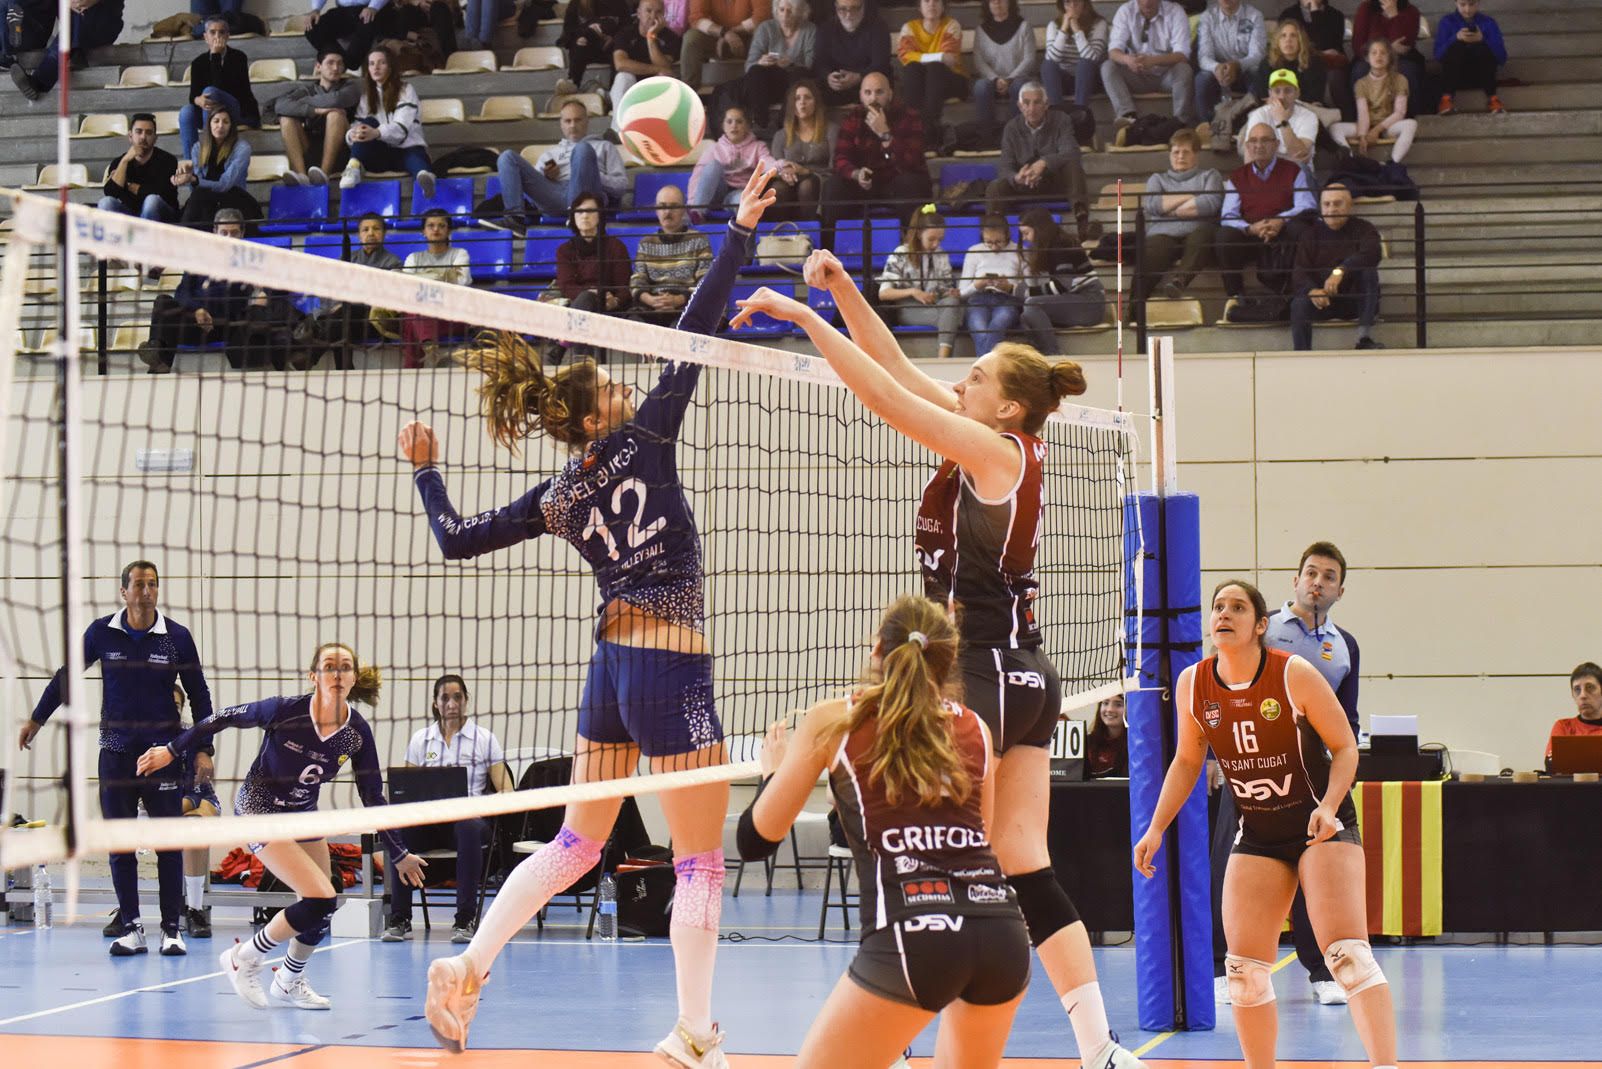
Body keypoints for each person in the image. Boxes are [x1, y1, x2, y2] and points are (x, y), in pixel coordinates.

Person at [731, 254, 1150, 1069]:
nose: (965, 377)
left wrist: (807, 322)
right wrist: (841, 289)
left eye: (980, 373)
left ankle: (905, 1004)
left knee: (942, 850)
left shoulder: (1000, 454)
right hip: (1028, 674)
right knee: (1023, 862)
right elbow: (896, 366)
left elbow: (884, 396)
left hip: (980, 672)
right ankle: (1099, 1046)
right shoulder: (992, 440)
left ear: (1012, 405)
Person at [408, 163, 781, 1065]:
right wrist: (735, 233)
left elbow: (456, 540)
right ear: (591, 415)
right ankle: (694, 1031)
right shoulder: (644, 434)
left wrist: (427, 470)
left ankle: (467, 962)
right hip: (667, 657)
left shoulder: (558, 492)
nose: (622, 386)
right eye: (609, 386)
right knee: (699, 861)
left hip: (611, 664)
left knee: (579, 839)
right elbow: (692, 336)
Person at [737, 596, 1031, 1068]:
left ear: (876, 649)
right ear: (949, 661)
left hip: (912, 936)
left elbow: (754, 842)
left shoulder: (835, 720)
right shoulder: (976, 727)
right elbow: (983, 837)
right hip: (1000, 931)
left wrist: (774, 774)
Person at [1134, 579, 1400, 1069]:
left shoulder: (1293, 674)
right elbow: (1187, 762)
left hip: (1321, 823)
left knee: (1348, 956)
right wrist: (1155, 829)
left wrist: (1330, 804)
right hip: (1259, 832)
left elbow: (1344, 747)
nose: (1224, 614)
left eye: (1237, 607)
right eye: (1218, 607)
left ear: (1260, 626)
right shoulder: (1195, 682)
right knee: (1244, 973)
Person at [137, 643, 426, 1011]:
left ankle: (289, 980)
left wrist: (398, 853)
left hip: (302, 813)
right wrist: (173, 750)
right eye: (328, 666)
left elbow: (373, 796)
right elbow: (221, 717)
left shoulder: (356, 733)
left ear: (353, 678)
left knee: (325, 905)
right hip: (259, 809)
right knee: (319, 897)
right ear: (314, 676)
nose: (336, 674)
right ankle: (244, 957)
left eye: (345, 667)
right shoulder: (285, 711)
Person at [19, 560, 213, 956]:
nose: (146, 591)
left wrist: (203, 750)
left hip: (163, 755)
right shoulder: (100, 633)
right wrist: (38, 719)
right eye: (139, 585)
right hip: (116, 755)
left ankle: (172, 930)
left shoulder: (176, 637)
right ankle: (132, 927)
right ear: (123, 591)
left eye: (153, 585)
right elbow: (66, 676)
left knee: (168, 843)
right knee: (120, 845)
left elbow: (200, 694)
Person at [1226, 541, 1360, 1006]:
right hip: (1251, 770)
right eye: (1310, 573)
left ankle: (1322, 972)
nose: (1317, 582)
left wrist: (1341, 771)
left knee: (1315, 872)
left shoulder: (1345, 648)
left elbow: (1347, 718)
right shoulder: (1263, 630)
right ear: (1295, 580)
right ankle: (1230, 967)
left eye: (1328, 576)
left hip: (1309, 779)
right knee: (1234, 869)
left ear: (1339, 590)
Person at [384, 673, 514, 944]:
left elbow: (507, 791)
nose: (452, 703)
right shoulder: (422, 739)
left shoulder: (484, 739)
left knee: (467, 826)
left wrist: (478, 806)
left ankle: (465, 919)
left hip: (469, 823)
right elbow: (408, 790)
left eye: (457, 697)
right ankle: (400, 918)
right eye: (445, 697)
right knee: (399, 831)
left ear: (466, 701)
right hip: (431, 822)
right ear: (435, 703)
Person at [137, 209, 264, 373]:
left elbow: (241, 298)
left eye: (234, 233)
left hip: (227, 325)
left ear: (242, 233)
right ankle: (157, 353)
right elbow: (182, 293)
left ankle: (159, 359)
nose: (229, 238)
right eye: (224, 233)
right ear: (215, 233)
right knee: (163, 301)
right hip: (196, 322)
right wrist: (197, 310)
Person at [822, 72, 933, 249]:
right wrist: (856, 173)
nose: (873, 98)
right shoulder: (853, 118)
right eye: (868, 93)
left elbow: (911, 161)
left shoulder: (909, 116)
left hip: (897, 182)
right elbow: (840, 158)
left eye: (879, 92)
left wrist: (885, 134)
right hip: (865, 182)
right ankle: (829, 252)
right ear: (861, 95)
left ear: (889, 93)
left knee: (910, 183)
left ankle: (913, 250)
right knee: (834, 186)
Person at [1216, 122, 1317, 299]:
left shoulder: (1293, 171)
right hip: (1252, 236)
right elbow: (1228, 216)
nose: (1258, 146)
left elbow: (1306, 205)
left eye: (1265, 140)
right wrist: (1251, 228)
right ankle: (1236, 296)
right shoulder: (1238, 176)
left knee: (1300, 229)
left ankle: (1295, 291)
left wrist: (1280, 220)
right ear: (1247, 146)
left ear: (1276, 144)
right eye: (1253, 141)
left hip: (1283, 234)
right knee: (1225, 236)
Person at [495, 99, 628, 232]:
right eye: (568, 121)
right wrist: (547, 177)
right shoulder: (549, 154)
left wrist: (591, 174)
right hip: (555, 194)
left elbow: (620, 186)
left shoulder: (605, 146)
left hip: (589, 195)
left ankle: (577, 216)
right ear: (561, 124)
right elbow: (532, 198)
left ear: (587, 121)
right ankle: (515, 219)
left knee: (582, 149)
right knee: (507, 157)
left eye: (578, 120)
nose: (573, 125)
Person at [292, 211, 403, 368]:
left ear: (384, 234)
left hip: (373, 321)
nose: (371, 233)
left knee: (342, 314)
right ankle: (345, 370)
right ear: (359, 235)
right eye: (365, 229)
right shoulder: (347, 259)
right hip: (347, 320)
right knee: (340, 322)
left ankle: (311, 357)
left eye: (376, 229)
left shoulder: (393, 262)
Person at [987, 82, 1093, 240]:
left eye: (1037, 102)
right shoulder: (1011, 127)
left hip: (1053, 181)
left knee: (1073, 166)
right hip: (1023, 184)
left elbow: (1071, 152)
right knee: (995, 186)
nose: (1031, 108)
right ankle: (995, 233)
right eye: (1026, 103)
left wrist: (1044, 163)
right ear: (1019, 105)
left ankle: (1082, 222)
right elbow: (1005, 166)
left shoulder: (1061, 120)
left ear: (1046, 104)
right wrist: (1016, 177)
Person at [1289, 182, 1382, 350]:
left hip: (1355, 301)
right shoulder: (1310, 234)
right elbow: (1299, 271)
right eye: (1326, 204)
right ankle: (1301, 355)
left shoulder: (1364, 228)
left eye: (1338, 203)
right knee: (1299, 303)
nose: (1331, 209)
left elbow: (1372, 254)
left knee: (1368, 273)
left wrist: (1340, 271)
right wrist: (1312, 291)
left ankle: (1364, 338)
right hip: (1323, 302)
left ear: (1349, 205)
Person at [1139, 128, 1223, 304]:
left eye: (1186, 152)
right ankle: (1135, 307)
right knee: (1152, 251)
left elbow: (1210, 204)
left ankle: (1179, 281)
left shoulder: (1210, 175)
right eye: (1176, 152)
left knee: (1203, 234)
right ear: (1170, 154)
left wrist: (1169, 211)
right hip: (1162, 233)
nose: (1180, 156)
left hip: (1197, 232)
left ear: (1196, 154)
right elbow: (1152, 205)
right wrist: (1191, 196)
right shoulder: (1157, 179)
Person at [546, 190, 632, 361]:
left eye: (591, 211)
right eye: (580, 211)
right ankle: (583, 360)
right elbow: (566, 286)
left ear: (600, 217)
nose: (585, 216)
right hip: (578, 301)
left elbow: (624, 286)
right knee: (585, 299)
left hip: (608, 304)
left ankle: (567, 347)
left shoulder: (616, 247)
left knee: (586, 299)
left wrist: (615, 301)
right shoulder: (565, 250)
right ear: (573, 217)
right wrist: (592, 292)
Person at [341, 43, 436, 197]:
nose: (375, 67)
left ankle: (424, 178)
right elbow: (358, 124)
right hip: (380, 155)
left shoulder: (406, 90)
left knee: (414, 157)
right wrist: (352, 134)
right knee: (366, 124)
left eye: (381, 63)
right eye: (371, 64)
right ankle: (353, 167)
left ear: (391, 67)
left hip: (407, 149)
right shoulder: (366, 96)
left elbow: (401, 129)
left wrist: (376, 133)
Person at [876, 204, 961, 359]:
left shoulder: (941, 255)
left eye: (940, 240)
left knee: (953, 304)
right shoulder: (901, 253)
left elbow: (944, 289)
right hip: (909, 309)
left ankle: (942, 359)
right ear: (919, 233)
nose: (936, 245)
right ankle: (944, 360)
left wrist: (949, 292)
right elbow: (884, 293)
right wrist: (914, 292)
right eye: (931, 239)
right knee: (953, 317)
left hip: (935, 306)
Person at [1016, 206, 1105, 351]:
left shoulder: (1060, 246)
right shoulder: (1052, 245)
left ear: (1039, 230)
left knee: (1032, 304)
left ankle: (1053, 354)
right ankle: (1038, 354)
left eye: (1026, 233)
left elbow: (1061, 287)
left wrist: (1021, 291)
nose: (1024, 238)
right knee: (1027, 314)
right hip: (1076, 300)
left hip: (1090, 303)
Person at [271, 48, 360, 187]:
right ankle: (301, 176)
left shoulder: (350, 87)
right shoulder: (307, 90)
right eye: (330, 63)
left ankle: (324, 174)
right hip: (310, 147)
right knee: (286, 118)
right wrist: (315, 110)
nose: (336, 68)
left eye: (340, 64)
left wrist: (302, 102)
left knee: (335, 114)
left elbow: (335, 100)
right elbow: (280, 106)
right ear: (318, 67)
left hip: (340, 152)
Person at [173, 683, 221, 938]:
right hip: (156, 806)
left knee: (195, 828)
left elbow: (196, 791)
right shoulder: (140, 736)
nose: (173, 709)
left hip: (197, 800)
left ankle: (194, 908)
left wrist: (181, 806)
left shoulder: (191, 737)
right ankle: (126, 911)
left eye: (178, 706)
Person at [1101, 0, 1194, 127]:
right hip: (1136, 75)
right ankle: (1128, 118)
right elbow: (1113, 51)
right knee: (1108, 67)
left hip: (1166, 77)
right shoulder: (1126, 11)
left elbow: (1183, 55)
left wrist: (1153, 61)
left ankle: (1180, 122)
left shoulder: (1175, 11)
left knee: (1184, 69)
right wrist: (1128, 59)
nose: (1146, 3)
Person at [630, 185, 713, 326]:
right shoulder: (646, 242)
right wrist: (651, 300)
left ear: (683, 210)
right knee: (632, 324)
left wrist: (679, 299)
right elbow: (637, 281)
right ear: (656, 210)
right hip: (652, 306)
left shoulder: (699, 240)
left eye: (673, 207)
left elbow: (705, 282)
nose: (667, 212)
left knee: (681, 327)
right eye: (662, 206)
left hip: (686, 305)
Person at [725, 0, 814, 132]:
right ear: (776, 11)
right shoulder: (765, 28)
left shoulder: (810, 30)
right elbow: (749, 65)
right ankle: (761, 122)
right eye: (781, 10)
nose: (785, 15)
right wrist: (761, 62)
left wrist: (791, 62)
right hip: (767, 86)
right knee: (756, 71)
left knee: (799, 73)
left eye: (790, 11)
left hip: (795, 84)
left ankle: (785, 124)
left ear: (800, 12)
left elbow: (811, 64)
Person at [180, 15, 261, 159]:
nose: (217, 36)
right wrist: (198, 100)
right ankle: (191, 164)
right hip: (211, 113)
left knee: (210, 92)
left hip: (237, 111)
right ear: (205, 37)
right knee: (187, 112)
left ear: (228, 36)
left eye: (221, 32)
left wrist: (216, 57)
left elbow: (221, 89)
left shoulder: (239, 58)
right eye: (212, 32)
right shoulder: (198, 62)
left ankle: (209, 154)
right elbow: (193, 95)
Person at [173, 94, 260, 226]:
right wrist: (186, 178)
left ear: (231, 126)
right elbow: (200, 182)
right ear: (209, 124)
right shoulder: (198, 148)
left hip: (234, 198)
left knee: (199, 196)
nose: (220, 126)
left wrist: (194, 180)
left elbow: (225, 185)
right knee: (199, 197)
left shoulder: (242, 148)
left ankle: (184, 234)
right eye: (216, 121)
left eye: (225, 122)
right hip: (206, 199)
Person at [401, 207, 472, 369]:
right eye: (431, 225)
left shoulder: (460, 254)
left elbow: (460, 282)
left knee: (413, 315)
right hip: (423, 316)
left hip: (452, 315)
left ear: (449, 231)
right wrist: (443, 277)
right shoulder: (413, 258)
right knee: (413, 312)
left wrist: (423, 282)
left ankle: (411, 371)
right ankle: (429, 345)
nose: (436, 229)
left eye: (441, 225)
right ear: (423, 231)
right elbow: (405, 287)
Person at [9, 0, 123, 100]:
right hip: (73, 22)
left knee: (76, 21)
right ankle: (75, 52)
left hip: (102, 23)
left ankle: (39, 81)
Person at [1331, 38, 1417, 162]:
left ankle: (1393, 162)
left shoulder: (1400, 79)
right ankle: (1349, 160)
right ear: (1367, 58)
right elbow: (1363, 113)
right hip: (1365, 125)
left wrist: (1377, 130)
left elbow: (1400, 113)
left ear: (1389, 57)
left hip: (1388, 125)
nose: (1378, 56)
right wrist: (1362, 136)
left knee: (1411, 124)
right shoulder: (1361, 83)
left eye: (1383, 53)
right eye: (1374, 53)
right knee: (1335, 128)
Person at [1252, 18, 1344, 131]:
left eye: (1293, 36)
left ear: (1300, 40)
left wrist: (1288, 103)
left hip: (1305, 108)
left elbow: (1315, 96)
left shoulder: (1314, 61)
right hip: (1275, 108)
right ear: (1277, 41)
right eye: (1283, 36)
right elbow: (1262, 94)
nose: (1288, 40)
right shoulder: (1267, 62)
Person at [688, 105, 777, 219]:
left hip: (738, 193)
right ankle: (697, 213)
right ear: (723, 126)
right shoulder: (714, 148)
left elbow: (768, 163)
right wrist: (692, 203)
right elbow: (698, 175)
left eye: (739, 121)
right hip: (715, 193)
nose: (734, 125)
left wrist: (781, 167)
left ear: (747, 126)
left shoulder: (758, 147)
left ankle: (742, 232)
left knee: (744, 200)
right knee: (713, 166)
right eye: (729, 121)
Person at [895, 0, 967, 140]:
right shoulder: (909, 28)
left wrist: (921, 57)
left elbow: (949, 60)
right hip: (921, 83)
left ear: (943, 5)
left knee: (935, 68)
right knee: (912, 68)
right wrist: (939, 55)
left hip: (952, 81)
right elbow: (905, 56)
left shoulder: (951, 25)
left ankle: (925, 130)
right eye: (927, 1)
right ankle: (915, 128)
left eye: (936, 1)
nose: (931, 4)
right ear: (919, 6)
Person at [958, 214, 1027, 357]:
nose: (994, 246)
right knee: (979, 329)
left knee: (998, 325)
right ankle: (989, 369)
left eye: (999, 242)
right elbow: (962, 292)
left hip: (1007, 300)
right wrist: (977, 285)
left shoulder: (1019, 251)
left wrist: (1009, 287)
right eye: (988, 242)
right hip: (978, 299)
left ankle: (983, 368)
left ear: (1007, 234)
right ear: (982, 236)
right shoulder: (974, 251)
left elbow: (1030, 287)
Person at [768, 78, 835, 220]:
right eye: (797, 98)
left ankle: (810, 231)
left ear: (816, 102)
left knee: (807, 185)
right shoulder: (781, 135)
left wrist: (806, 171)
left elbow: (835, 167)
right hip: (788, 181)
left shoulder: (831, 130)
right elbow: (774, 166)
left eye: (807, 98)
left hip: (821, 180)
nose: (802, 102)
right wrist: (784, 172)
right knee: (777, 189)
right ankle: (778, 235)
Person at [97, 113, 181, 223]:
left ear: (155, 138)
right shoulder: (120, 162)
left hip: (162, 214)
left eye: (149, 133)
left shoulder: (168, 160)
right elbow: (111, 193)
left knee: (152, 201)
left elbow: (164, 194)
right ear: (130, 136)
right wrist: (125, 161)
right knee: (105, 203)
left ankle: (146, 239)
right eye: (139, 132)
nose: (143, 137)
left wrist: (130, 186)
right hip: (131, 213)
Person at [1194, 0, 1267, 124]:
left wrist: (1237, 65)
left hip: (1243, 71)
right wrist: (1217, 67)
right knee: (1202, 78)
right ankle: (1207, 127)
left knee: (1256, 73)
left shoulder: (1254, 16)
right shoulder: (1208, 17)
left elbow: (1257, 55)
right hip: (1217, 73)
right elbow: (1204, 57)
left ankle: (1253, 124)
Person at [609, 0, 681, 120]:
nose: (653, 16)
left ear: (664, 15)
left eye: (658, 12)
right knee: (623, 77)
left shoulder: (671, 37)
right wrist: (657, 69)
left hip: (652, 89)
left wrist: (651, 37)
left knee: (664, 77)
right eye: (648, 11)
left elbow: (665, 68)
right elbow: (620, 64)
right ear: (638, 13)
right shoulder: (625, 33)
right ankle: (618, 132)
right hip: (628, 88)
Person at [810, 0, 890, 108]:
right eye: (843, 9)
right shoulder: (825, 29)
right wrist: (828, 76)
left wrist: (859, 77)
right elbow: (819, 62)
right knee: (808, 88)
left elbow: (881, 63)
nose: (848, 14)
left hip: (866, 84)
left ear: (863, 6)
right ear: (836, 7)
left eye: (855, 8)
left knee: (877, 83)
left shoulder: (878, 27)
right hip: (835, 86)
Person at [971, 0, 1038, 128]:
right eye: (992, 0)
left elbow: (1029, 59)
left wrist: (1009, 79)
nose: (997, 2)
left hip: (1018, 79)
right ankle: (986, 136)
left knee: (1019, 87)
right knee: (980, 87)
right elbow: (979, 61)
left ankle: (1016, 133)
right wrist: (995, 79)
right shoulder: (981, 30)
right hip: (991, 80)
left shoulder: (1024, 26)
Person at [1349, 0, 1422, 116]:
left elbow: (1405, 43)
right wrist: (1387, 50)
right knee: (1359, 71)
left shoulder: (1411, 11)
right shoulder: (1366, 8)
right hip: (1369, 58)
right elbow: (1358, 45)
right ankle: (1362, 118)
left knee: (1408, 71)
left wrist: (1394, 16)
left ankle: (1409, 117)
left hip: (1400, 59)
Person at [1434, 0, 1506, 116]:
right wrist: (1455, 38)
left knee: (1481, 48)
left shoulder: (1488, 22)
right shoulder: (1447, 22)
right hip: (1455, 75)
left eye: (1471, 4)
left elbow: (1502, 58)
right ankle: (1446, 99)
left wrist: (1483, 40)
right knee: (1456, 47)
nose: (1467, 9)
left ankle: (1493, 99)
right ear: (1455, 3)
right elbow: (1438, 55)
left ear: (1478, 3)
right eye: (1463, 5)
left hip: (1482, 75)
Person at [1242, 69, 1319, 170]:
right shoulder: (1259, 115)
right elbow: (1250, 160)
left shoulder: (1309, 116)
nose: (1282, 96)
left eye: (1288, 91)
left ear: (1297, 93)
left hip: (1298, 174)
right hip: (1268, 175)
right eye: (1277, 91)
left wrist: (1283, 121)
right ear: (1270, 93)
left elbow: (1299, 153)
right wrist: (1289, 161)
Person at [681, 0, 768, 88]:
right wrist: (723, 32)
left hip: (748, 38)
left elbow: (762, 16)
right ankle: (689, 91)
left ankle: (761, 87)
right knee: (691, 37)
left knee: (764, 32)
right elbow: (696, 18)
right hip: (715, 38)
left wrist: (731, 33)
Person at [553, 0, 629, 95]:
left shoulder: (619, 3)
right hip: (588, 48)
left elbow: (627, 28)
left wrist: (613, 38)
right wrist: (580, 36)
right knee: (579, 43)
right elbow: (568, 32)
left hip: (612, 47)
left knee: (619, 47)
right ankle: (573, 82)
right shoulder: (576, 4)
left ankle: (613, 90)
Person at [1042, 0, 1107, 110]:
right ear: (1062, 5)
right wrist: (1063, 30)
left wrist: (1077, 30)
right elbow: (1051, 59)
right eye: (1067, 2)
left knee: (1085, 63)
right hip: (1064, 80)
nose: (1072, 6)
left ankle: (1080, 111)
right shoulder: (1053, 25)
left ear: (1085, 3)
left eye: (1076, 1)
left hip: (1090, 79)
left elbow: (1092, 58)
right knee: (1047, 65)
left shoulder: (1099, 23)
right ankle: (1057, 112)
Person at [305, 0, 395, 71]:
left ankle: (350, 64)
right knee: (312, 28)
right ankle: (341, 61)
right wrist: (316, 9)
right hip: (344, 10)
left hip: (375, 8)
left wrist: (373, 7)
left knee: (368, 23)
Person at [1547, 663, 1602, 771]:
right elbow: (1551, 766)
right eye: (1577, 689)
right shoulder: (1563, 727)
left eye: (1590, 688)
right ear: (1572, 695)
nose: (1583, 695)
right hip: (1572, 788)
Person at [1085, 693, 1128, 778]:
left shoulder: (1136, 745)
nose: (1110, 709)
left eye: (1118, 704)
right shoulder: (1087, 742)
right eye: (1105, 703)